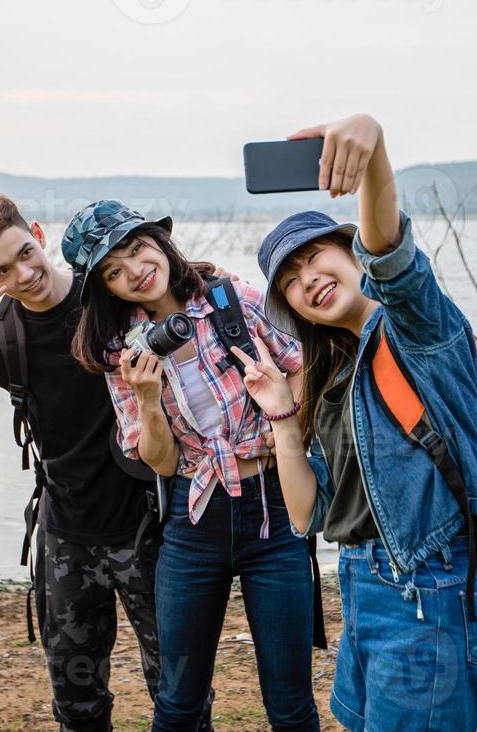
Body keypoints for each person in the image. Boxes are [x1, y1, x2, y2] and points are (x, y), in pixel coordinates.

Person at [238, 114, 477, 731]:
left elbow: (394, 259)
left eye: (314, 258)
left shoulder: (417, 333)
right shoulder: (334, 383)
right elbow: (307, 515)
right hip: (360, 588)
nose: (308, 281)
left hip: (426, 592)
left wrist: (372, 141)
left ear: (349, 249)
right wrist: (281, 415)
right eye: (292, 282)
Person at [0, 192, 181, 732]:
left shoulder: (105, 296)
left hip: (148, 528)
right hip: (65, 536)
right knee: (78, 705)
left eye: (24, 252)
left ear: (39, 235)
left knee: (180, 693)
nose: (23, 273)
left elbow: (185, 297)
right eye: (0, 271)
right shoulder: (1, 335)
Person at [64, 200, 321, 732]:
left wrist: (283, 425)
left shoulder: (230, 300)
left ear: (159, 241)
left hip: (273, 508)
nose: (134, 271)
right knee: (178, 701)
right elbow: (159, 459)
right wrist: (148, 398)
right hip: (193, 518)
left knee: (290, 703)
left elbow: (303, 366)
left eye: (138, 249)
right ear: (106, 289)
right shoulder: (123, 353)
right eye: (114, 271)